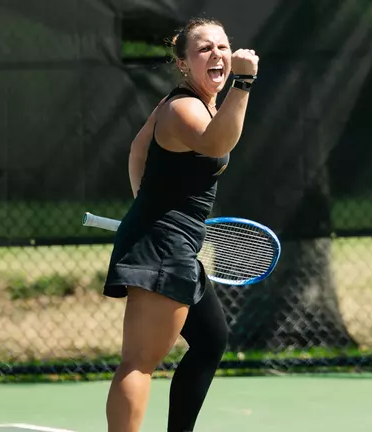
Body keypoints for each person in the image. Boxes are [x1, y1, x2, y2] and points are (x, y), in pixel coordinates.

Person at [101, 16, 259, 432]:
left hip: (171, 244)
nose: (218, 54)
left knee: (210, 341)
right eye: (204, 48)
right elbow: (216, 142)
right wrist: (243, 85)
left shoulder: (190, 103)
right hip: (162, 250)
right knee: (139, 361)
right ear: (184, 63)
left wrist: (145, 206)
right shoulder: (184, 107)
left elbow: (138, 150)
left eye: (223, 46)